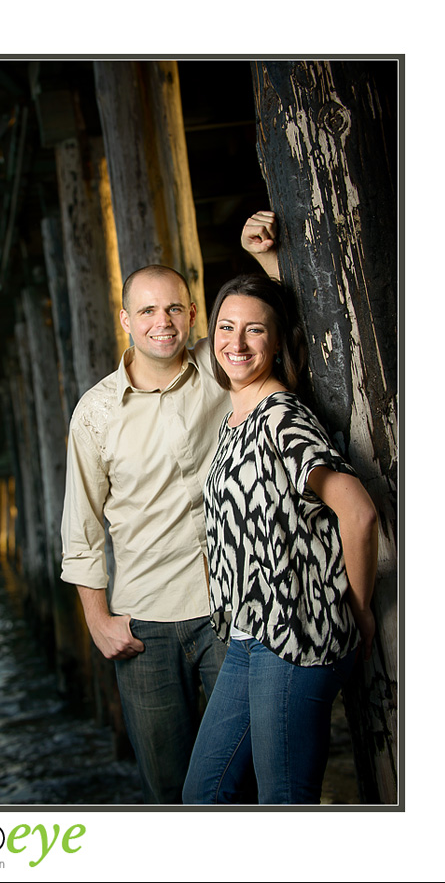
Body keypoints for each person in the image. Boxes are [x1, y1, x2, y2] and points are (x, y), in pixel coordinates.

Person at [182, 267, 378, 805]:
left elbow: (358, 515)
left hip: (296, 636)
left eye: (255, 330)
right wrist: (257, 257)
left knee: (284, 802)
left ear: (277, 339)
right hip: (248, 639)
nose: (236, 342)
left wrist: (357, 612)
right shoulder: (234, 419)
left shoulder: (280, 416)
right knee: (204, 795)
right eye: (225, 327)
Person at [60, 263, 233, 804]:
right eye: (148, 311)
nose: (163, 322)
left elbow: (278, 331)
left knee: (247, 775)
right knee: (169, 788)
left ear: (192, 313)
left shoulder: (221, 365)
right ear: (126, 320)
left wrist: (271, 263)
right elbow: (81, 529)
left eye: (175, 308)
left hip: (231, 609)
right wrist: (97, 622)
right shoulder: (95, 413)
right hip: (144, 628)